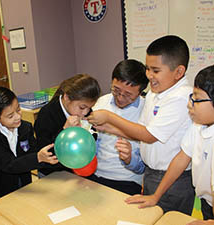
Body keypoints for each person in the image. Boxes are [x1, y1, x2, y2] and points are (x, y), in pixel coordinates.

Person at [87, 35, 195, 214]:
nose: (149, 76)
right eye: (147, 69)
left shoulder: (181, 97)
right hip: (151, 174)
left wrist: (109, 118)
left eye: (156, 70)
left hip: (174, 180)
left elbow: (148, 135)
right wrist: (108, 129)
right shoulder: (155, 93)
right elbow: (141, 131)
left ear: (178, 72)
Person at [126, 65, 214, 224]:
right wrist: (155, 196)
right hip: (206, 202)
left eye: (198, 99)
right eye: (191, 97)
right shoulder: (198, 126)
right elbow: (181, 158)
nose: (190, 104)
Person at [0, 86, 58, 199]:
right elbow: (8, 165)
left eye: (18, 109)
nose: (18, 117)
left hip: (24, 183)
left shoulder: (25, 127)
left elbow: (32, 152)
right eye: (10, 116)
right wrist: (37, 157)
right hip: (1, 189)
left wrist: (42, 157)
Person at [87, 59, 148, 195]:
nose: (120, 98)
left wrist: (129, 159)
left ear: (140, 92)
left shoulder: (147, 111)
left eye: (128, 95)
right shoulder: (101, 102)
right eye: (116, 90)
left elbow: (143, 168)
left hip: (127, 181)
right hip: (95, 174)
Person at [34, 74, 101, 177]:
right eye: (82, 107)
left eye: (89, 107)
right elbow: (46, 154)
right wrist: (64, 130)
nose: (85, 112)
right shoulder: (46, 114)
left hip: (78, 169)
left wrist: (88, 130)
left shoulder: (85, 112)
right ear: (66, 97)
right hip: (53, 172)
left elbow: (91, 139)